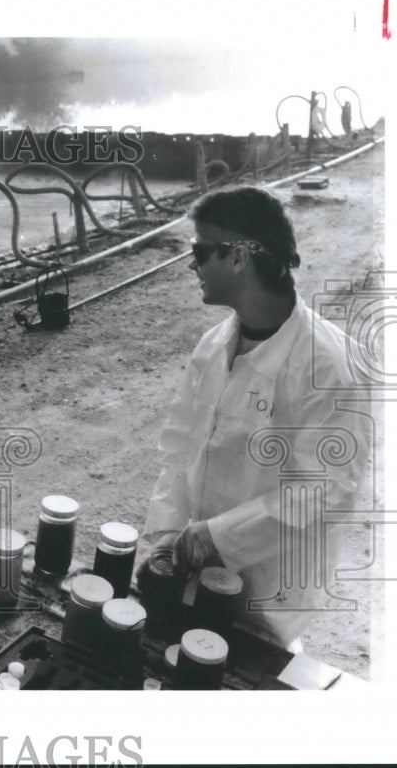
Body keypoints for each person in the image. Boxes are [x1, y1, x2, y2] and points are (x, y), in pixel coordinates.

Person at [140, 186, 369, 650]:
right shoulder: (212, 347)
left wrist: (213, 538)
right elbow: (178, 452)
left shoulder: (329, 368)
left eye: (201, 251)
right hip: (186, 583)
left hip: (262, 606)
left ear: (239, 257)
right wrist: (165, 540)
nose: (192, 265)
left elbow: (323, 491)